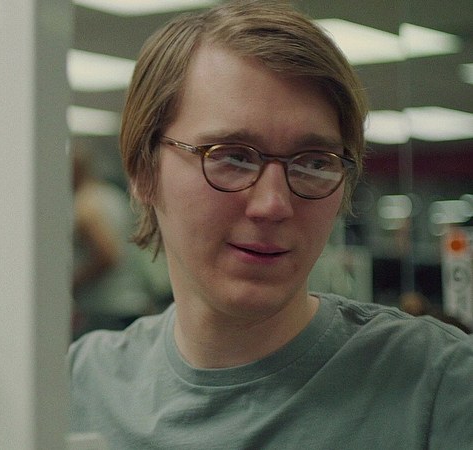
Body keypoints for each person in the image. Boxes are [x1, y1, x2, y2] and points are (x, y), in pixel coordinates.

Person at [68, 1, 473, 448]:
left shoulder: (439, 388)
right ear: (143, 172)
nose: (273, 204)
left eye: (314, 163)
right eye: (231, 156)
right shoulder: (78, 386)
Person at [71, 146, 154, 339]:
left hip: (106, 308)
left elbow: (107, 256)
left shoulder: (85, 206)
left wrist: (71, 283)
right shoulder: (111, 195)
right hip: (131, 300)